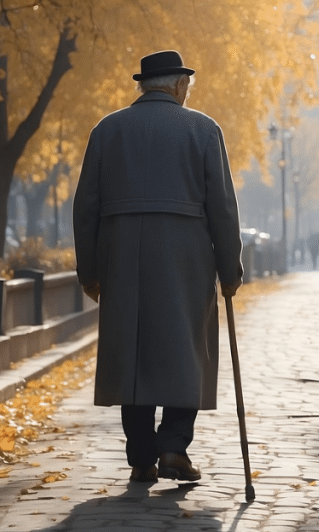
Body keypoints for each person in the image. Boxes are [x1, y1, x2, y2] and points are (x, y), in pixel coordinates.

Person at [72, 50, 243, 484]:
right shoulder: (203, 129)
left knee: (134, 354)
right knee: (187, 352)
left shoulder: (107, 130)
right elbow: (222, 207)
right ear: (180, 86)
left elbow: (85, 206)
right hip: (186, 255)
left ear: (145, 86)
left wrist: (89, 270)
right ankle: (174, 448)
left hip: (122, 253)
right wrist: (230, 267)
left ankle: (141, 456)